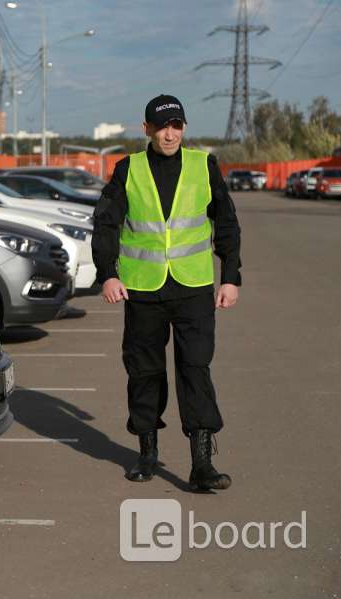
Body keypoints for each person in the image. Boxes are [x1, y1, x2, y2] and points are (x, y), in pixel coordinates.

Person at [92, 94, 241, 491]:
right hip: (142, 289)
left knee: (195, 369)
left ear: (184, 128)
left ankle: (202, 464)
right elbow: (105, 225)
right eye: (161, 126)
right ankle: (147, 453)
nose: (169, 133)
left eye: (176, 125)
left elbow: (226, 221)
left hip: (193, 286)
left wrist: (231, 276)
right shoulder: (129, 169)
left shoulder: (203, 165)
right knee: (145, 372)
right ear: (147, 130)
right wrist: (107, 274)